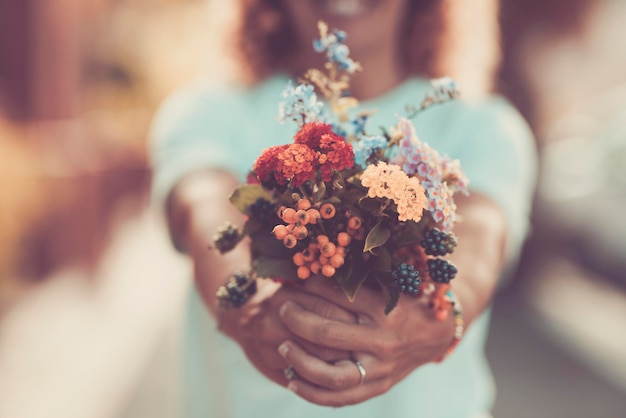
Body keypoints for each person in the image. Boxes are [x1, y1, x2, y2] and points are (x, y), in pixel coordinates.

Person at [150, 0, 537, 416]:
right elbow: (204, 204)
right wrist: (249, 302)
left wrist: (441, 318)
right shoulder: (208, 112)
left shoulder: (484, 127)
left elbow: (481, 234)